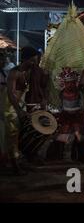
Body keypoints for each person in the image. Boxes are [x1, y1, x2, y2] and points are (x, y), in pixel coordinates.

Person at [5, 47, 41, 175]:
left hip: (20, 105)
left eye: (35, 61)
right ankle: (15, 167)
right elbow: (10, 93)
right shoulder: (14, 73)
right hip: (10, 107)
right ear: (24, 59)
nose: (33, 63)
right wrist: (19, 110)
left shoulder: (30, 71)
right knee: (12, 136)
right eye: (31, 61)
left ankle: (19, 161)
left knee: (21, 134)